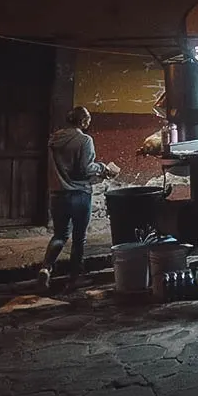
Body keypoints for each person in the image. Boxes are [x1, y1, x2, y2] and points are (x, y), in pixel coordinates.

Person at [38, 107, 120, 292]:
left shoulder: (54, 139)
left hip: (57, 194)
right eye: (88, 120)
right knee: (79, 238)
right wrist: (103, 168)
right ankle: (75, 279)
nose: (89, 123)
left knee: (59, 235)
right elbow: (85, 169)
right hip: (79, 194)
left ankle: (45, 269)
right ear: (83, 121)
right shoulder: (85, 140)